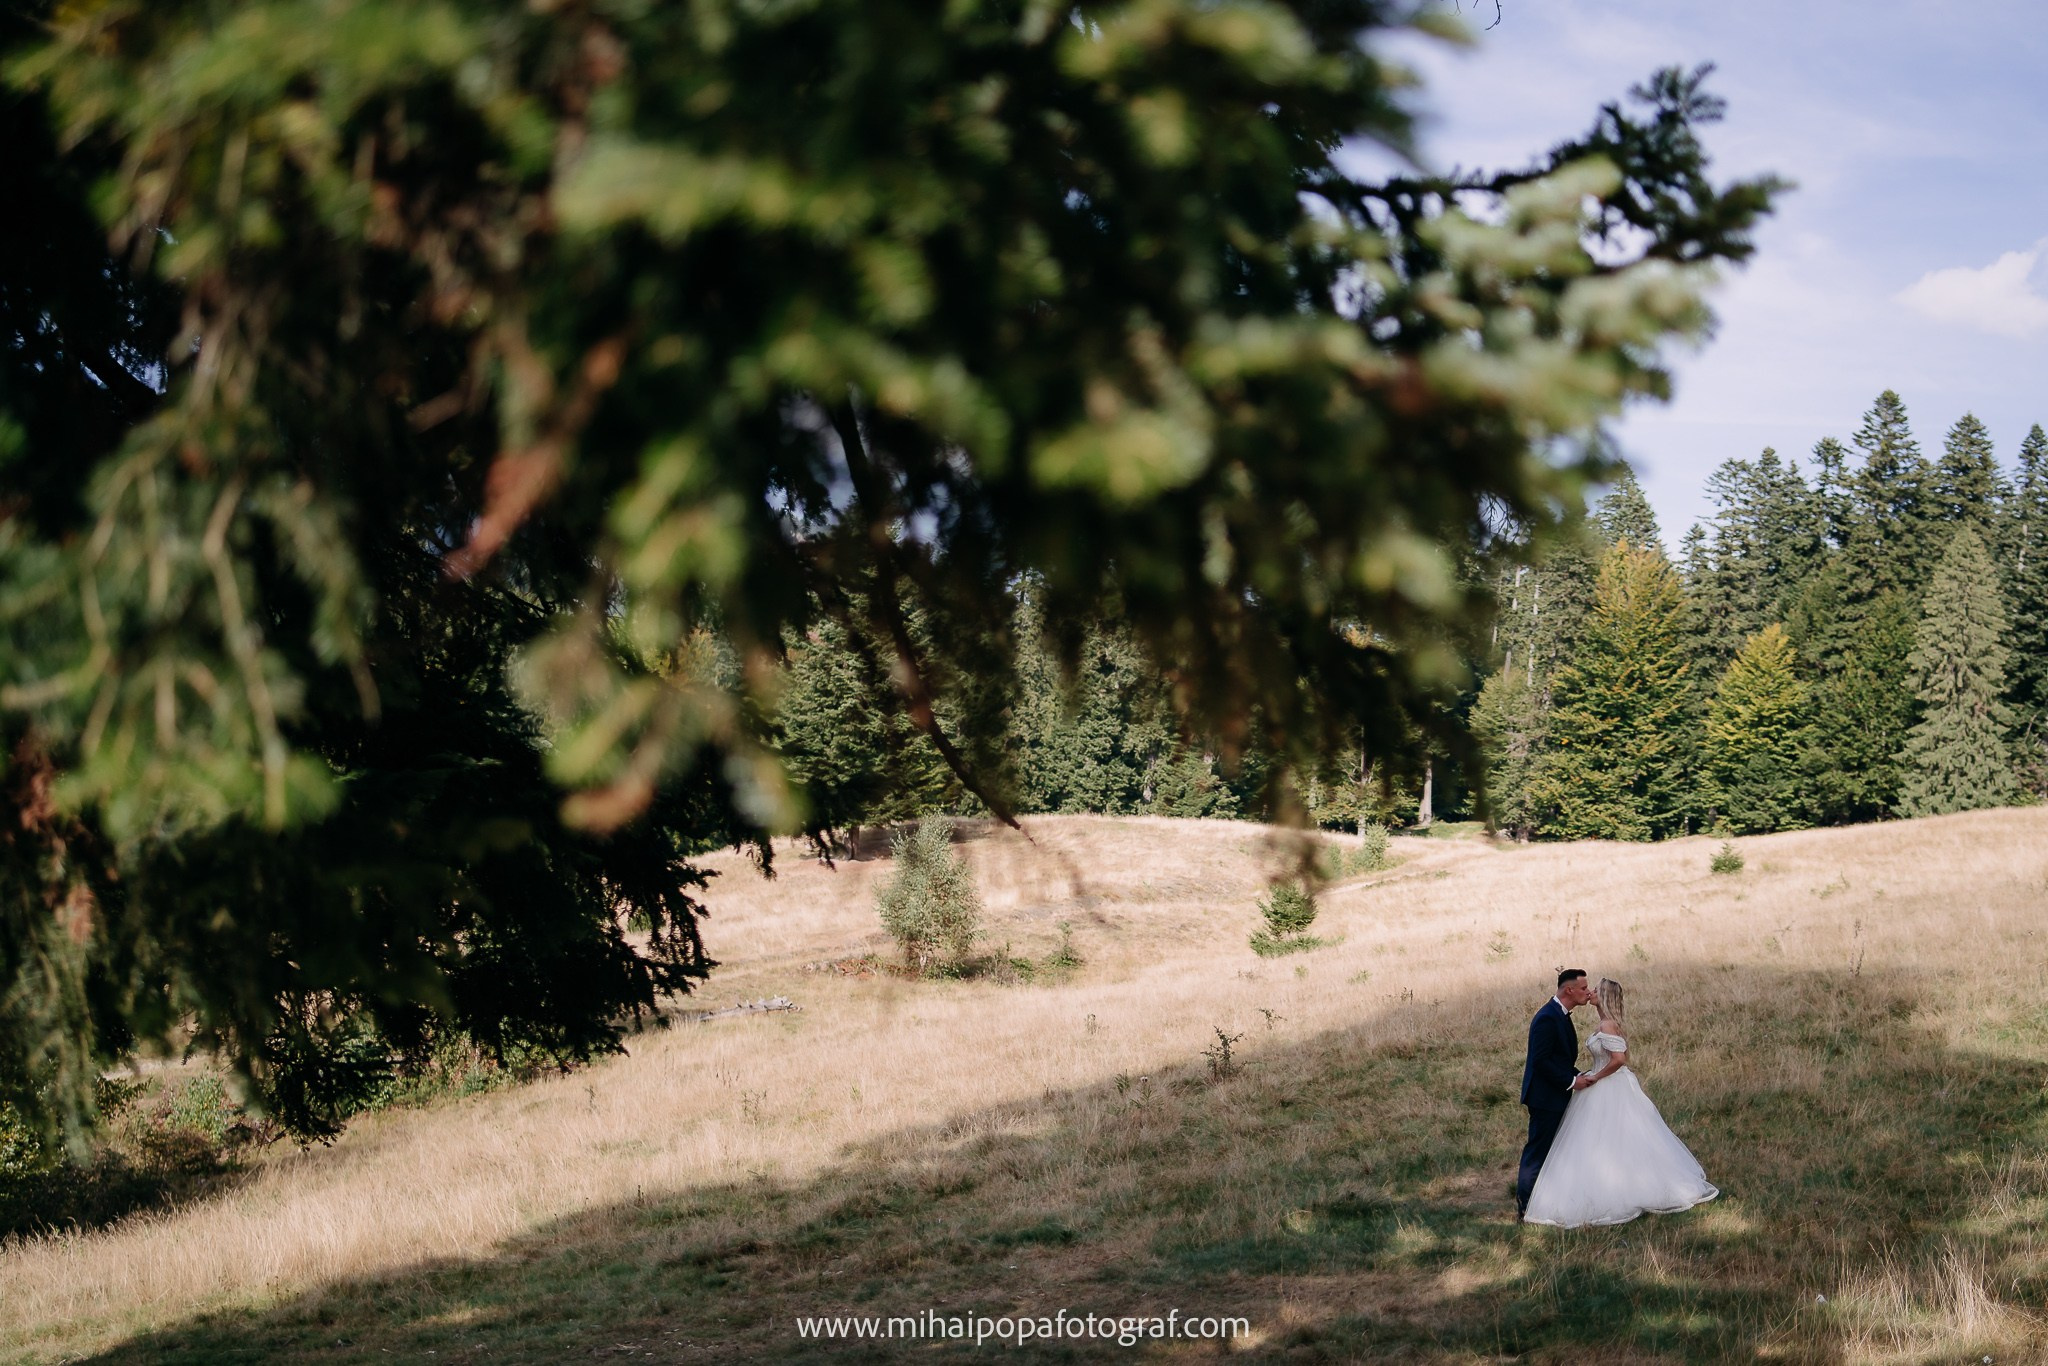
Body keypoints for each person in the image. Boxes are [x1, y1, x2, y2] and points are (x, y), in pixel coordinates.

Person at [1522, 977, 1719, 1228]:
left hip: (1610, 1085)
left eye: (1596, 990)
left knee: (1619, 1135)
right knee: (1598, 1139)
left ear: (1604, 997)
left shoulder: (1608, 1025)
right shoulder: (1603, 1024)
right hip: (1597, 1085)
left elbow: (1618, 1060)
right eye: (1587, 988)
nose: (1590, 992)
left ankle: (1625, 1188)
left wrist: (1595, 1076)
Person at [1516, 968, 1592, 1218]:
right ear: (1569, 990)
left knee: (1552, 1149)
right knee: (1538, 1150)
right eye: (1583, 988)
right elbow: (1541, 1061)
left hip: (1554, 1094)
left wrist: (1578, 1074)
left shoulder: (1562, 1015)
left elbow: (1559, 1057)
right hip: (1545, 1097)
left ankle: (1546, 1200)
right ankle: (1525, 1206)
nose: (1587, 992)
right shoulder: (1548, 1017)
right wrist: (1571, 1081)